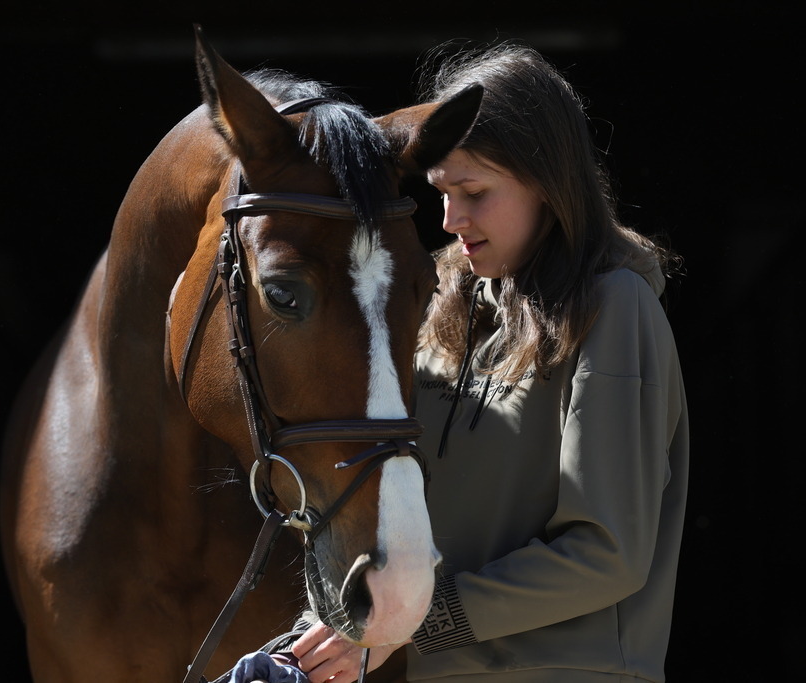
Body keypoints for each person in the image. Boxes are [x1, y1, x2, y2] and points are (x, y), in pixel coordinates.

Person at [290, 42, 689, 682]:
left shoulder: (617, 307)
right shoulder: (440, 306)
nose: (450, 219)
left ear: (548, 182)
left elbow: (607, 554)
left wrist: (415, 623)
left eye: (473, 191)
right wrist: (353, 617)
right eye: (441, 193)